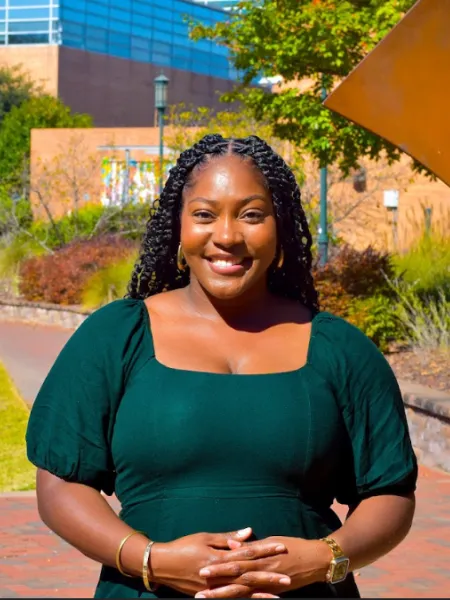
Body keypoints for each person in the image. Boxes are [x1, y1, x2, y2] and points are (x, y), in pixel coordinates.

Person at [26, 134, 418, 599]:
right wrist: (152, 560)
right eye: (205, 214)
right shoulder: (117, 337)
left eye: (252, 214)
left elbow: (390, 493)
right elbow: (59, 485)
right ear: (178, 226)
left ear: (282, 227)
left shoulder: (341, 349)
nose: (227, 235)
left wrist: (324, 558)